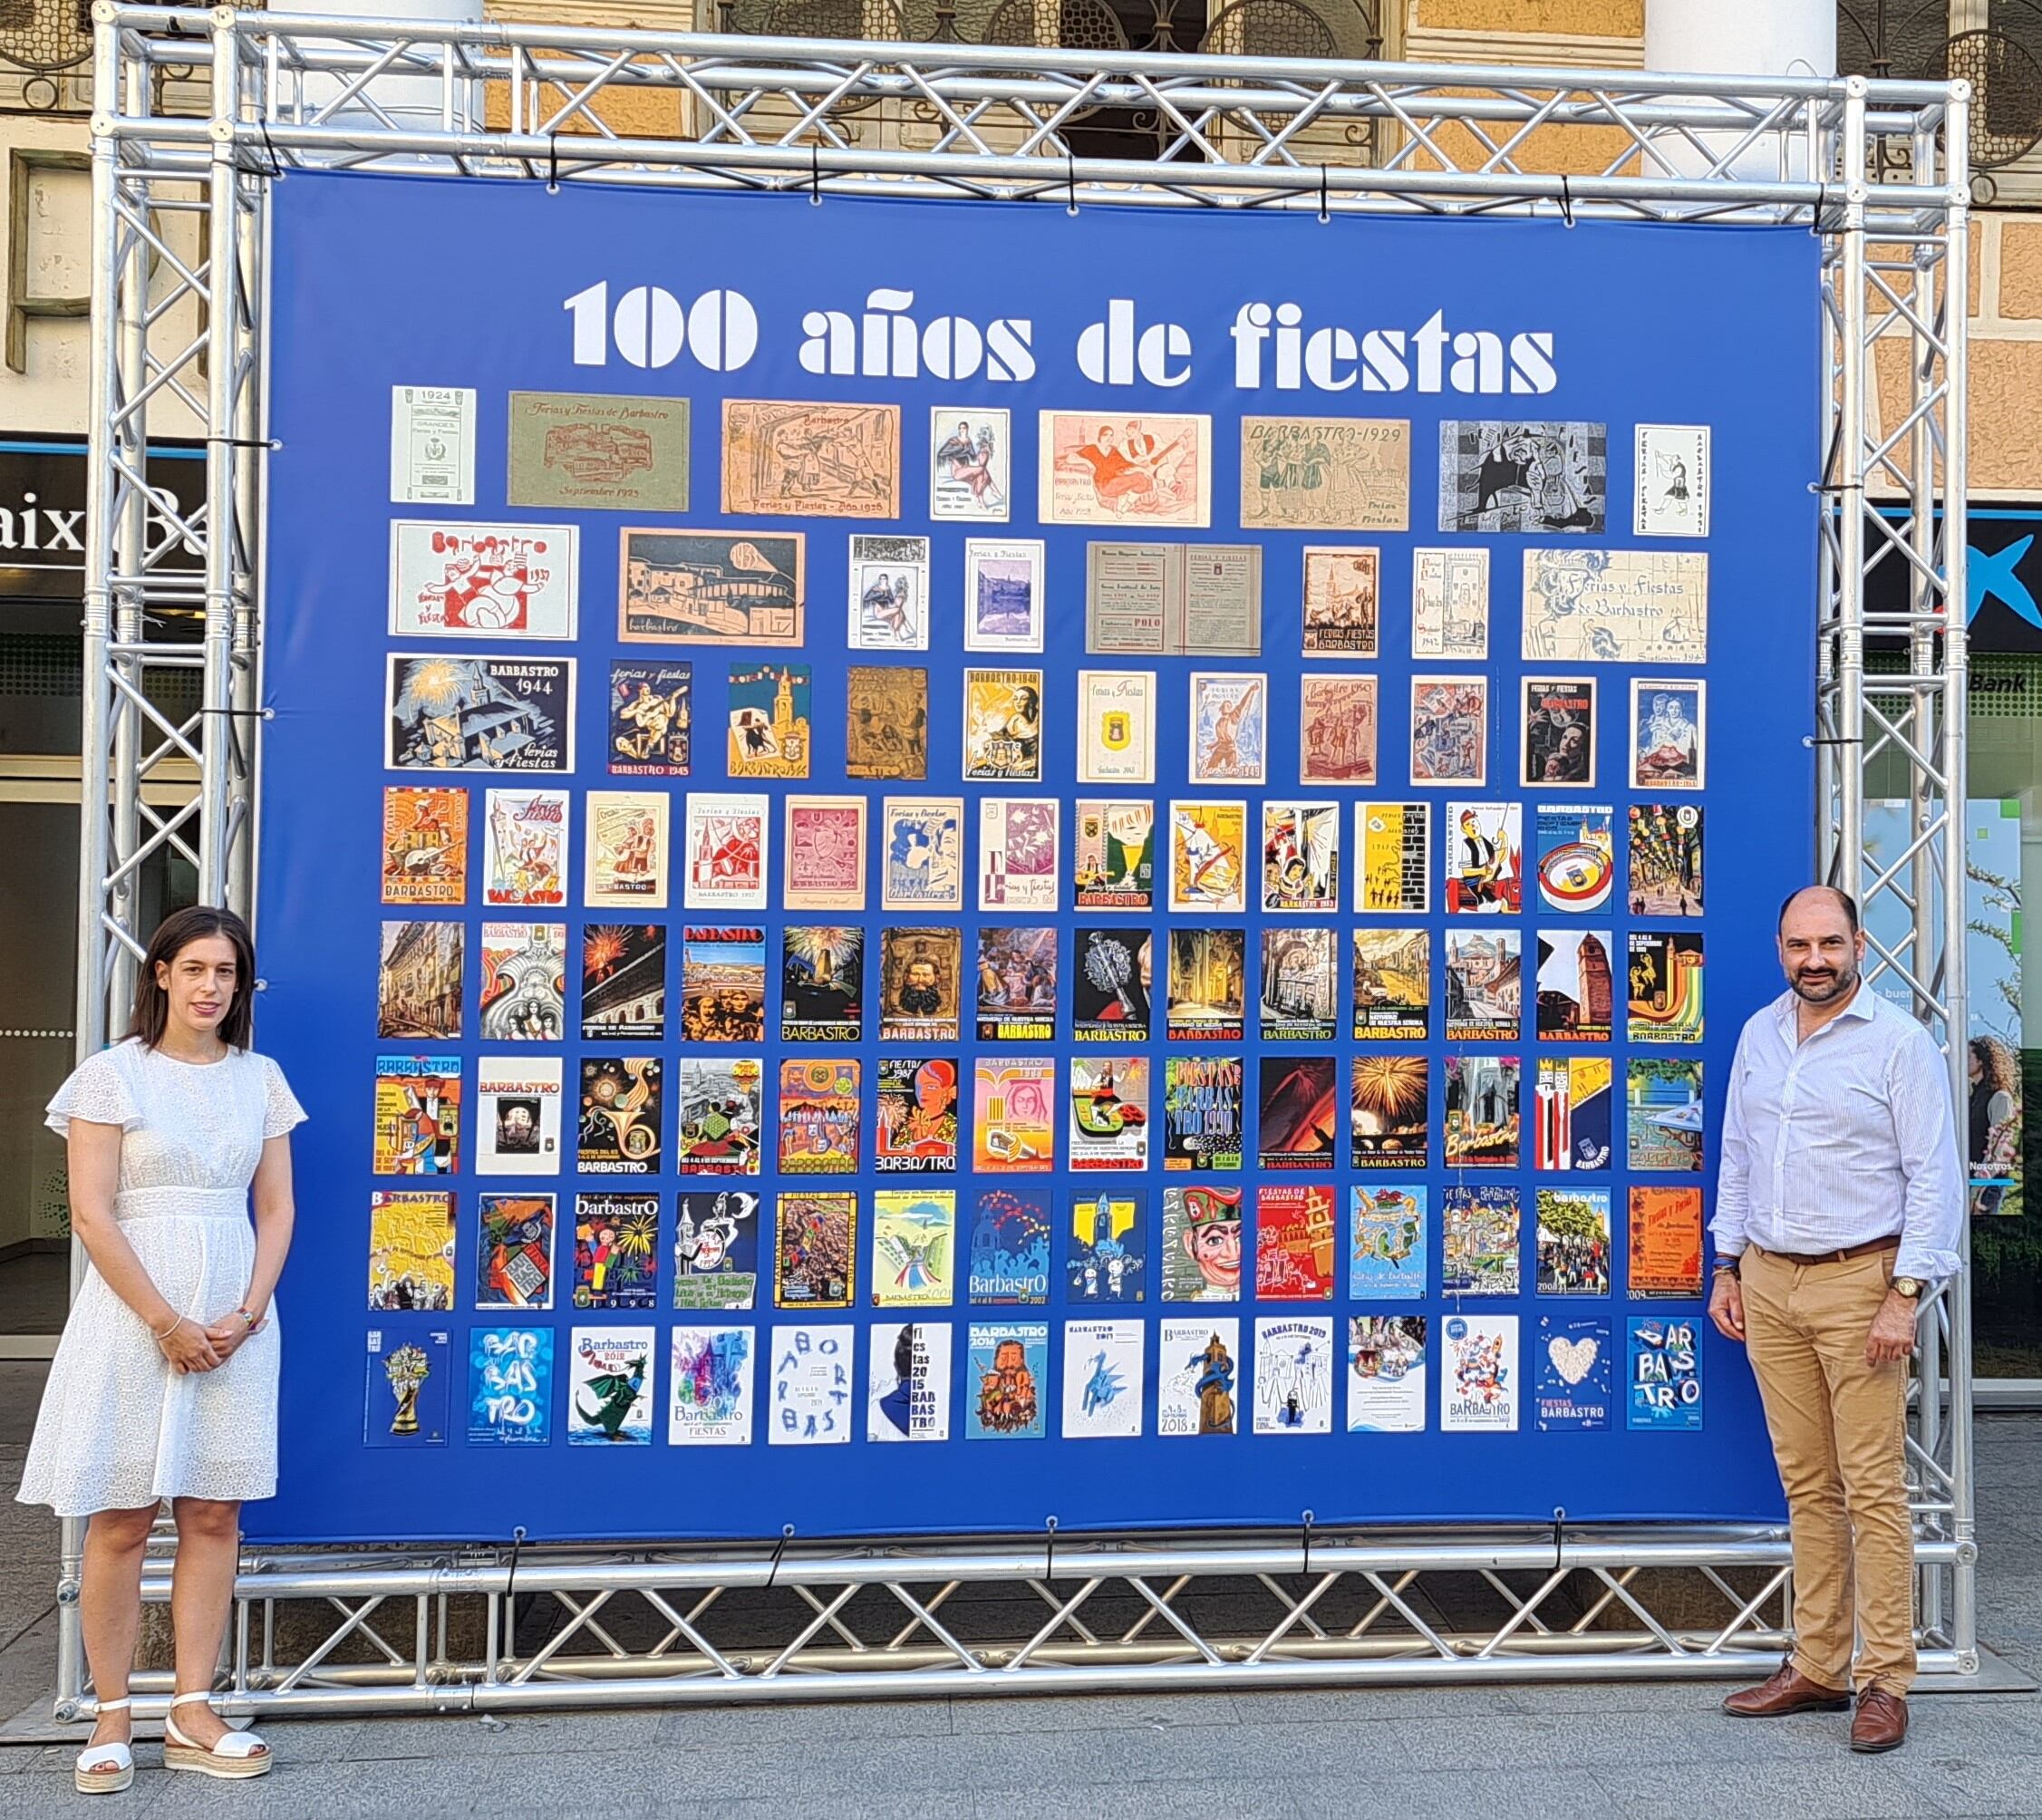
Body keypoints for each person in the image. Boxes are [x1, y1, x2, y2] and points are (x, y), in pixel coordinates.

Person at [22, 905, 303, 1790]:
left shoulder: (260, 1077)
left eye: (227, 972)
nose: (211, 986)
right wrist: (166, 1321)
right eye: (195, 969)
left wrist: (248, 1311)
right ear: (161, 975)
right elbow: (95, 1214)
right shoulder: (111, 1076)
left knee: (214, 1513)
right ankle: (111, 1714)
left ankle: (191, 1704)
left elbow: (276, 1208)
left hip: (235, 1321)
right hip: (131, 1316)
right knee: (120, 1515)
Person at [1709, 886, 1962, 1755]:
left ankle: (1884, 1676)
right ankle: (1816, 1664)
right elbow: (1736, 1155)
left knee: (1872, 1490)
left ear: (1858, 943)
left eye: (1828, 943)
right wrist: (1725, 1264)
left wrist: (1905, 1293)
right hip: (1769, 1284)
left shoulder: (1899, 1044)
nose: (1812, 959)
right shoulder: (1758, 1034)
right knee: (1807, 1486)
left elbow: (1934, 1177)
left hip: (1863, 1286)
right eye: (1796, 945)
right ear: (1778, 948)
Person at [1968, 1035, 2019, 1216]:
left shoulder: (1999, 1098)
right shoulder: (1971, 1098)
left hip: (1987, 1188)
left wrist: (1976, 1192)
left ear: (1982, 1060)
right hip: (1971, 1183)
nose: (1963, 1062)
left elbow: (1998, 1152)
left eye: (1968, 1057)